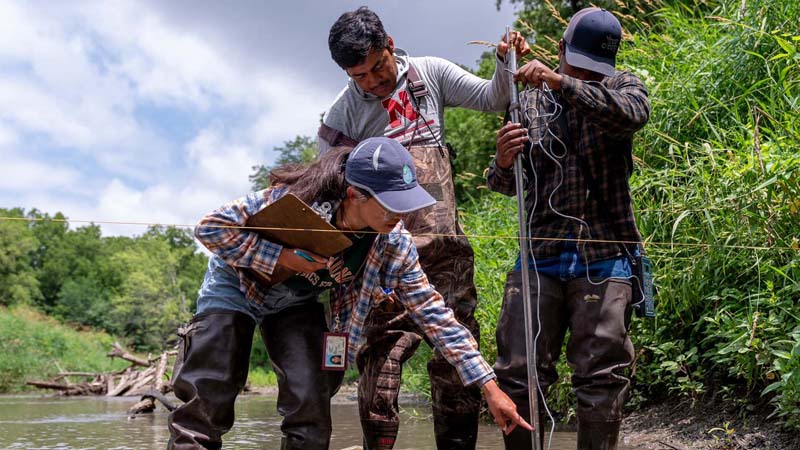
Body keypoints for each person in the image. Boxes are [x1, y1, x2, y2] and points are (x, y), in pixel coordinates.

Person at [167, 137, 530, 450]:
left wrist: (489, 387)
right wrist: (283, 257)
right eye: (391, 204)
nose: (401, 216)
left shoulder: (394, 244)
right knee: (210, 391)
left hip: (295, 303)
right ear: (355, 194)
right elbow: (211, 228)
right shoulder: (295, 199)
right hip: (237, 286)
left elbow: (436, 316)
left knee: (310, 405)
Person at [320, 7, 530, 449]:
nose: (374, 82)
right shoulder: (340, 119)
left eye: (378, 67)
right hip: (384, 260)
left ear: (390, 45)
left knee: (456, 364)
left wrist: (505, 60)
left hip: (445, 254)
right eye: (360, 76)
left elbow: (494, 98)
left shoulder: (429, 74)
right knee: (381, 371)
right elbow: (332, 193)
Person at [487, 7, 651, 450]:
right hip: (539, 256)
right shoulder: (528, 103)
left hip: (604, 255)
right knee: (517, 373)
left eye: (591, 69)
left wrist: (563, 82)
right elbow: (503, 185)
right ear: (560, 49)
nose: (582, 73)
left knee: (602, 376)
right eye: (574, 64)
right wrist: (502, 161)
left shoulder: (621, 87)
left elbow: (635, 114)